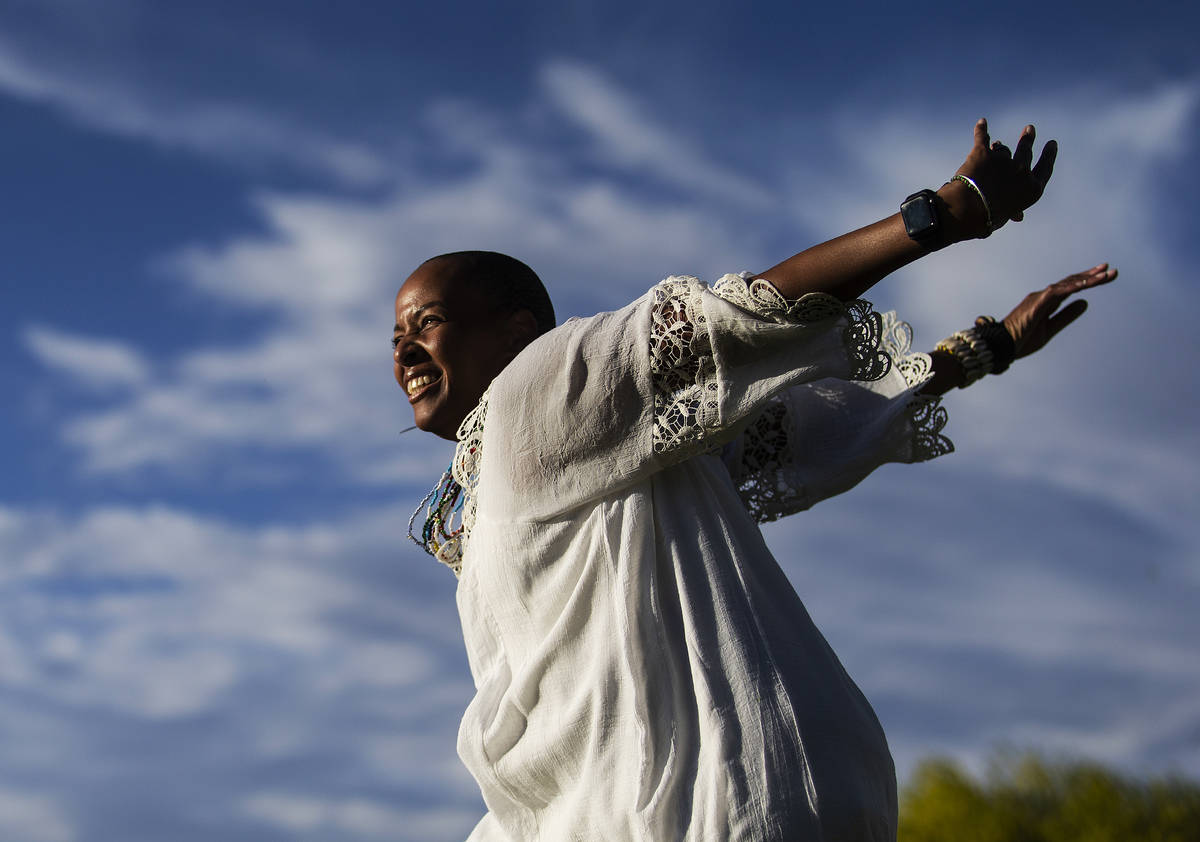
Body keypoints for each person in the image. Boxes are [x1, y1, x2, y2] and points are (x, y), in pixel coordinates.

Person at [392, 119, 1116, 841]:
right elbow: (808, 428)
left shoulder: (537, 392)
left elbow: (725, 323)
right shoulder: (556, 463)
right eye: (397, 337)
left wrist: (938, 217)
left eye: (427, 322)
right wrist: (981, 349)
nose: (406, 350)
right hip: (677, 803)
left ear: (518, 334)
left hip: (713, 801)